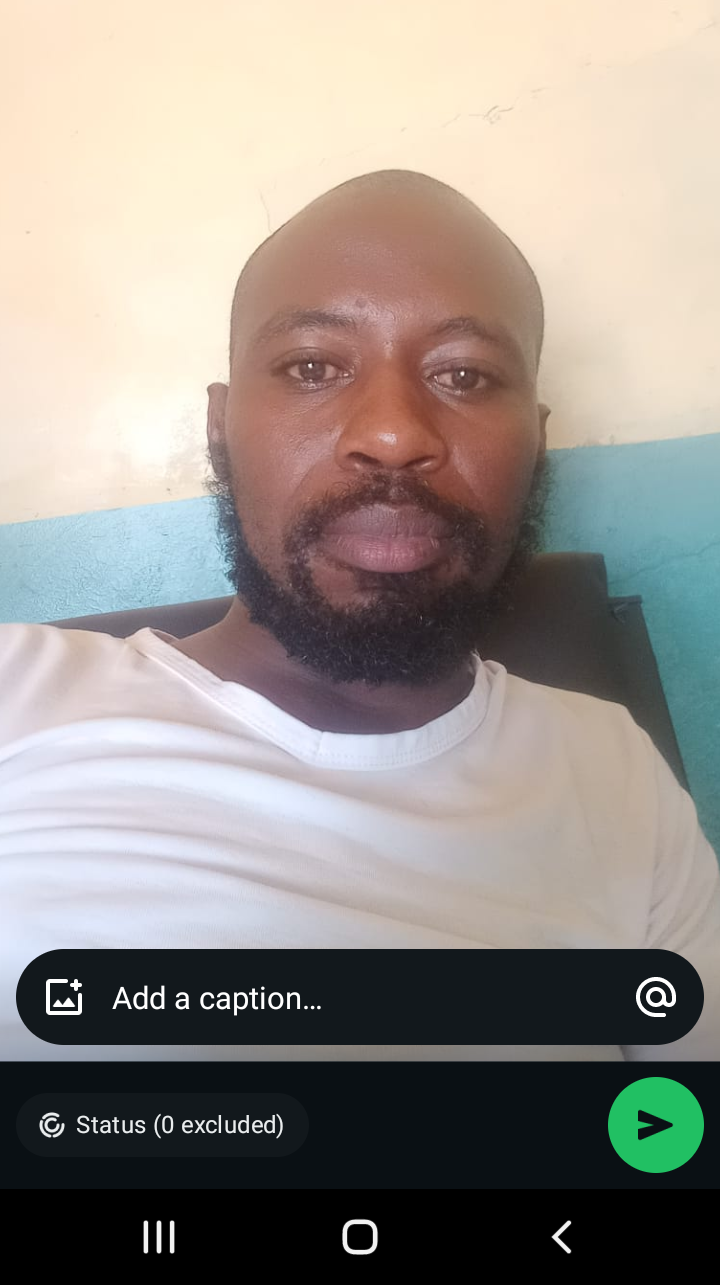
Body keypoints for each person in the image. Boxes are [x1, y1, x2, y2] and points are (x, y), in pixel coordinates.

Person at [1, 169, 718, 1063]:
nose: (392, 434)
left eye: (464, 374)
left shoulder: (614, 773)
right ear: (220, 426)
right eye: (312, 367)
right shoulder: (19, 694)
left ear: (536, 438)